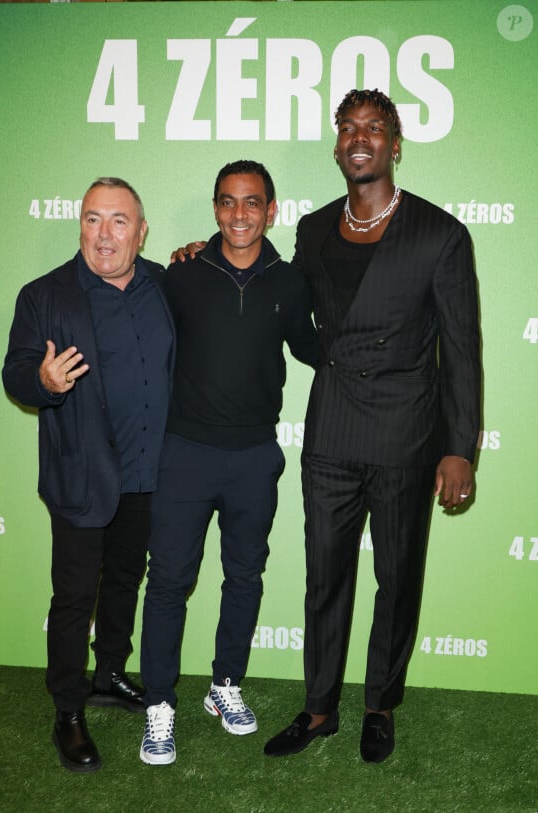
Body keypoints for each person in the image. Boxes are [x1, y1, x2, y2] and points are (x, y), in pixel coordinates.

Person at [176, 91, 481, 764]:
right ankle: (319, 708)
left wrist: (460, 448)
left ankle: (379, 703)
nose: (360, 137)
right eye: (349, 128)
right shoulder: (312, 231)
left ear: (395, 145)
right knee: (325, 576)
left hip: (408, 430)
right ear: (338, 146)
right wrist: (212, 258)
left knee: (398, 576)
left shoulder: (439, 233)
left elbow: (461, 349)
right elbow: (281, 296)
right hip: (334, 428)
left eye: (374, 128)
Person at [138, 160, 318, 766]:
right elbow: (145, 343)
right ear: (215, 210)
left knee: (244, 577)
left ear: (272, 210)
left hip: (254, 457)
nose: (240, 215)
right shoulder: (183, 274)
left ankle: (225, 686)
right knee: (167, 582)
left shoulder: (291, 282)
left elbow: (314, 349)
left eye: (252, 203)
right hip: (184, 452)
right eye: (228, 202)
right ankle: (159, 703)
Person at [2, 177, 175, 773]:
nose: (105, 234)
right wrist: (43, 383)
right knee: (75, 598)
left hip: (149, 473)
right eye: (93, 219)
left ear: (141, 230)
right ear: (80, 224)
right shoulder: (44, 294)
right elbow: (16, 372)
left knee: (127, 579)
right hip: (82, 474)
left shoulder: (163, 285)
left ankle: (110, 674)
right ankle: (68, 711)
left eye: (119, 221)